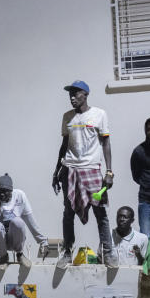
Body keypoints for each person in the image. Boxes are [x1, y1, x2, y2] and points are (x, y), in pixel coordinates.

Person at [52, 80, 115, 267]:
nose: (72, 97)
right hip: (70, 169)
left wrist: (109, 171)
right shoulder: (67, 117)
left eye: (76, 93)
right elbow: (64, 145)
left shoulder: (99, 114)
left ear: (85, 94)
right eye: (69, 94)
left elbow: (106, 143)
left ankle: (107, 252)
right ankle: (67, 252)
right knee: (68, 211)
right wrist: (56, 171)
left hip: (92, 169)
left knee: (99, 210)